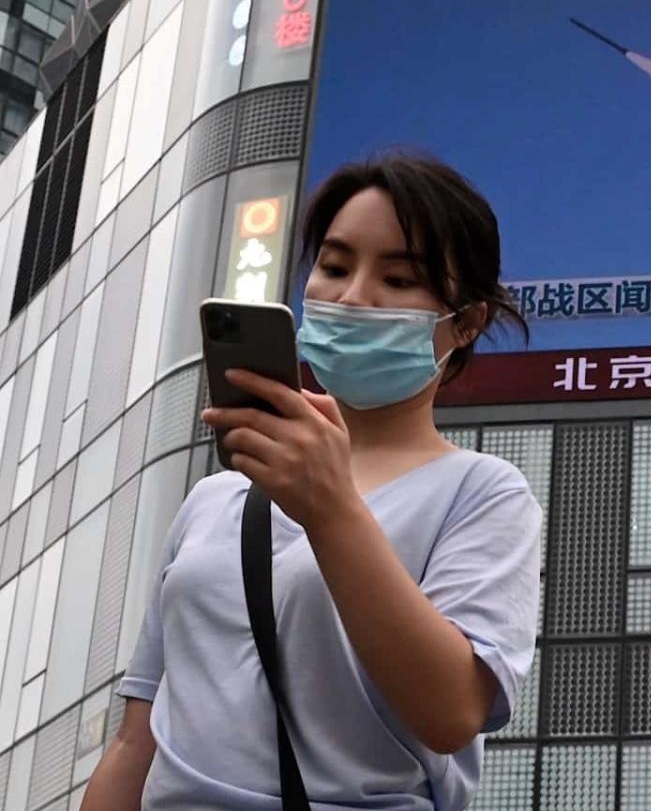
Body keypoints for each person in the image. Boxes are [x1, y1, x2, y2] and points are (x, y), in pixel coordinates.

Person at [80, 153, 542, 811]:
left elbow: (451, 709)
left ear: (465, 322)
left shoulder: (482, 493)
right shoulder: (218, 496)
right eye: (333, 265)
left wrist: (332, 509)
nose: (353, 296)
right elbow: (137, 741)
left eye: (399, 277)